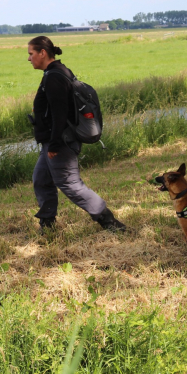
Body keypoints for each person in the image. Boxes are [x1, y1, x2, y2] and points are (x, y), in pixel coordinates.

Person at [28, 36, 126, 233]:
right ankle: (47, 224)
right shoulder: (55, 72)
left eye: (31, 54)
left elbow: (60, 115)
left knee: (70, 184)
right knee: (41, 179)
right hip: (52, 140)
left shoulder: (54, 76)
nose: (29, 59)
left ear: (43, 53)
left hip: (60, 142)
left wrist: (55, 145)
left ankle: (109, 221)